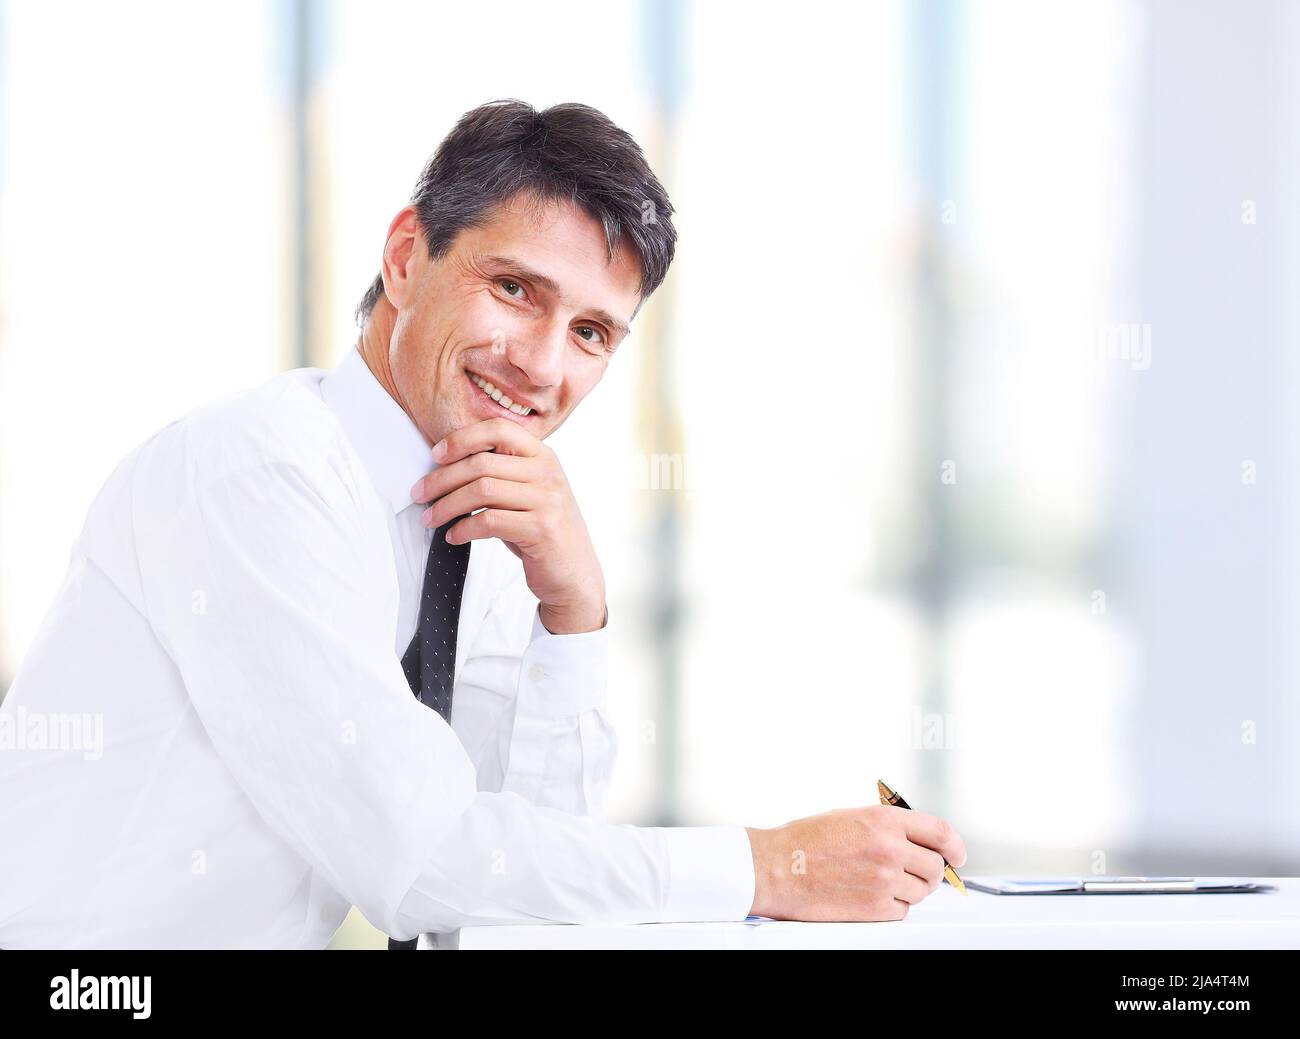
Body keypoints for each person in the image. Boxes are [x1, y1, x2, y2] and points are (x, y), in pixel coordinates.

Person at [0, 99, 965, 949]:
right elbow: (419, 862)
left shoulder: (485, 517)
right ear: (407, 256)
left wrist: (571, 608)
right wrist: (772, 867)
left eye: (591, 332)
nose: (543, 365)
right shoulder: (259, 474)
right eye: (515, 289)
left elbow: (513, 901)